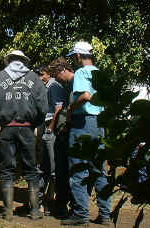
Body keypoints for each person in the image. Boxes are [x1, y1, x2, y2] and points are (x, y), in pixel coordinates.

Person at [0, 50, 48, 220]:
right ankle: (35, 211)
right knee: (31, 168)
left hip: (6, 129)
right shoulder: (34, 78)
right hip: (28, 129)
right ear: (23, 61)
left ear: (9, 61)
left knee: (6, 169)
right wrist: (36, 122)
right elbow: (43, 106)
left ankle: (7, 212)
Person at [61, 41, 111, 226]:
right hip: (99, 124)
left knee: (78, 169)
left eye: (74, 56)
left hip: (83, 123)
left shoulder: (81, 72)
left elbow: (85, 96)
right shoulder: (100, 73)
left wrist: (70, 107)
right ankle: (105, 215)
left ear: (78, 56)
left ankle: (81, 214)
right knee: (99, 170)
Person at [48, 57, 74, 219]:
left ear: (62, 69)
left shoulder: (75, 83)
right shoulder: (68, 84)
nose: (55, 78)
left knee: (63, 170)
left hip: (67, 132)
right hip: (65, 131)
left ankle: (65, 206)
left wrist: (58, 127)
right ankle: (64, 205)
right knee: (62, 170)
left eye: (56, 74)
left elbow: (64, 109)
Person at [36, 65, 60, 216]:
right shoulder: (45, 87)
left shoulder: (54, 86)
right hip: (43, 127)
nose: (40, 78)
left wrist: (50, 127)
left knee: (52, 168)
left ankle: (51, 202)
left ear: (48, 74)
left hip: (50, 128)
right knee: (41, 165)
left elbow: (58, 108)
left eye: (42, 74)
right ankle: (38, 202)